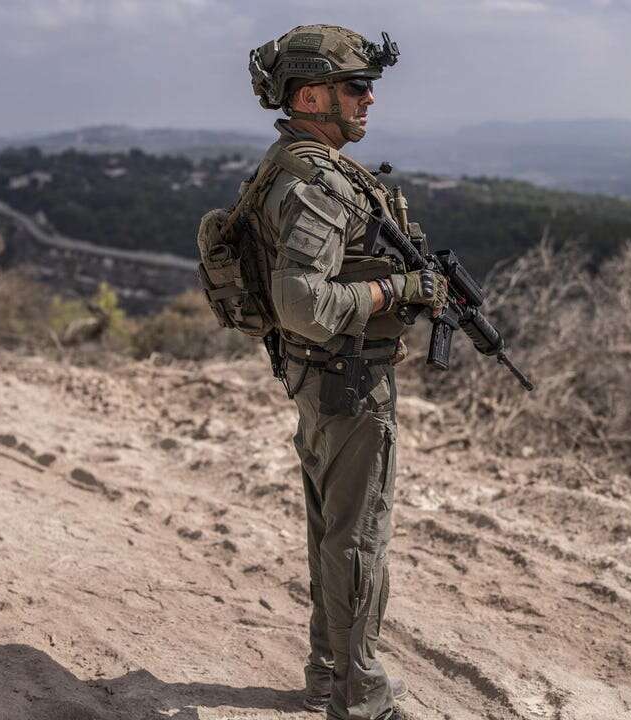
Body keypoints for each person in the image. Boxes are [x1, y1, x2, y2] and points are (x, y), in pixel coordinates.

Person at [243, 24, 447, 720]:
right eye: (356, 87)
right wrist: (399, 293)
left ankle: (331, 677)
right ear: (308, 96)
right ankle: (362, 699)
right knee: (358, 539)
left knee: (335, 531)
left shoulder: (299, 165)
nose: (369, 101)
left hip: (325, 378)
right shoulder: (314, 183)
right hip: (348, 381)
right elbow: (302, 304)